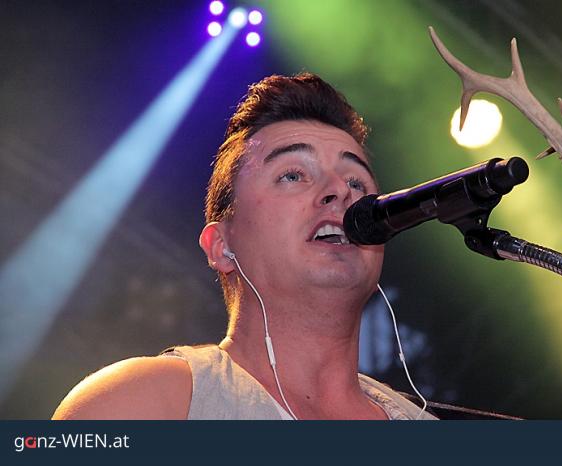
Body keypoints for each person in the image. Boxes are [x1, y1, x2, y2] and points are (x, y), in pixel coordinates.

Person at [52, 73, 435, 420]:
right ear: (221, 246)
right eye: (293, 175)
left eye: (356, 183)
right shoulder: (140, 404)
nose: (340, 190)